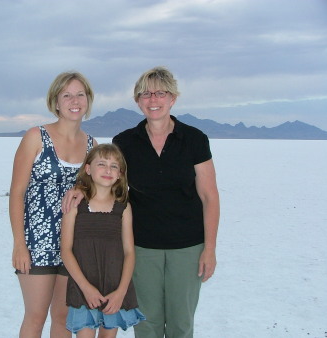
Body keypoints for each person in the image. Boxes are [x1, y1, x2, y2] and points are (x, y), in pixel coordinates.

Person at [63, 66, 220, 338]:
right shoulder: (125, 142)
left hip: (187, 247)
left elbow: (209, 196)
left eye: (160, 93)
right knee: (147, 324)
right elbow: (104, 172)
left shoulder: (194, 139)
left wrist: (210, 249)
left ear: (173, 98)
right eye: (145, 94)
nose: (153, 99)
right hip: (142, 246)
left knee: (182, 323)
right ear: (138, 101)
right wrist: (79, 187)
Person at [9, 71, 97, 338]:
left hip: (73, 243)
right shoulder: (36, 137)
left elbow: (98, 190)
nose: (74, 100)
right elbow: (17, 193)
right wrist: (19, 244)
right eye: (67, 94)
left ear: (88, 101)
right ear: (56, 102)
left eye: (80, 94)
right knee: (35, 317)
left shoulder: (92, 145)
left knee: (63, 317)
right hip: (37, 242)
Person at [61, 144, 145, 338]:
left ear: (120, 174)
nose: (108, 170)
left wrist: (121, 292)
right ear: (88, 169)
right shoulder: (75, 205)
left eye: (114, 166)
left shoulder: (123, 208)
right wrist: (85, 288)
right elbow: (66, 250)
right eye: (102, 164)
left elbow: (129, 252)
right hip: (83, 288)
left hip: (114, 287)